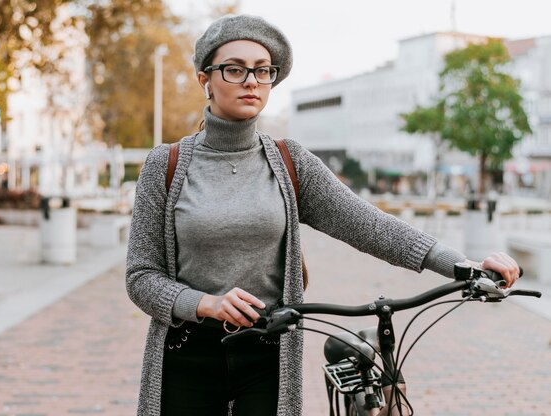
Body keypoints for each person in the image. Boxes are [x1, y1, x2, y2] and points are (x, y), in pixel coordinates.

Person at [125, 14, 520, 416]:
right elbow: (141, 277)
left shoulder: (288, 160)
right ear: (204, 79)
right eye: (235, 69)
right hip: (187, 353)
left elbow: (371, 226)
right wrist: (205, 303)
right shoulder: (167, 164)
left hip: (268, 354)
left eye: (263, 71)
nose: (251, 81)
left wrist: (462, 266)